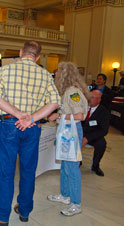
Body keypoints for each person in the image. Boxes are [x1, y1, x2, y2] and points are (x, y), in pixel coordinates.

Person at [0, 40, 61, 225]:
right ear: (37, 57)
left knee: (7, 172)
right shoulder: (45, 74)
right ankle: (24, 210)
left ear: (21, 52)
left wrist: (18, 114)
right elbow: (55, 103)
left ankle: (2, 216)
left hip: (10, 125)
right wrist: (32, 118)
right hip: (32, 128)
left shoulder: (5, 70)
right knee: (28, 171)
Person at [47, 62, 89, 216]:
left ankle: (76, 203)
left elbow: (80, 116)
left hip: (72, 131)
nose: (56, 75)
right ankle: (65, 195)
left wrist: (58, 115)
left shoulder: (73, 92)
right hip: (66, 131)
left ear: (65, 74)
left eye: (58, 72)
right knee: (65, 166)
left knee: (72, 169)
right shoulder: (66, 92)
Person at [82, 90, 109, 176]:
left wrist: (88, 138)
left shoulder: (104, 112)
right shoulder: (82, 107)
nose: (89, 99)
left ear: (99, 100)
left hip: (94, 135)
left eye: (92, 97)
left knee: (102, 144)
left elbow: (104, 130)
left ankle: (95, 166)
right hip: (81, 132)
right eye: (89, 96)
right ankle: (77, 161)